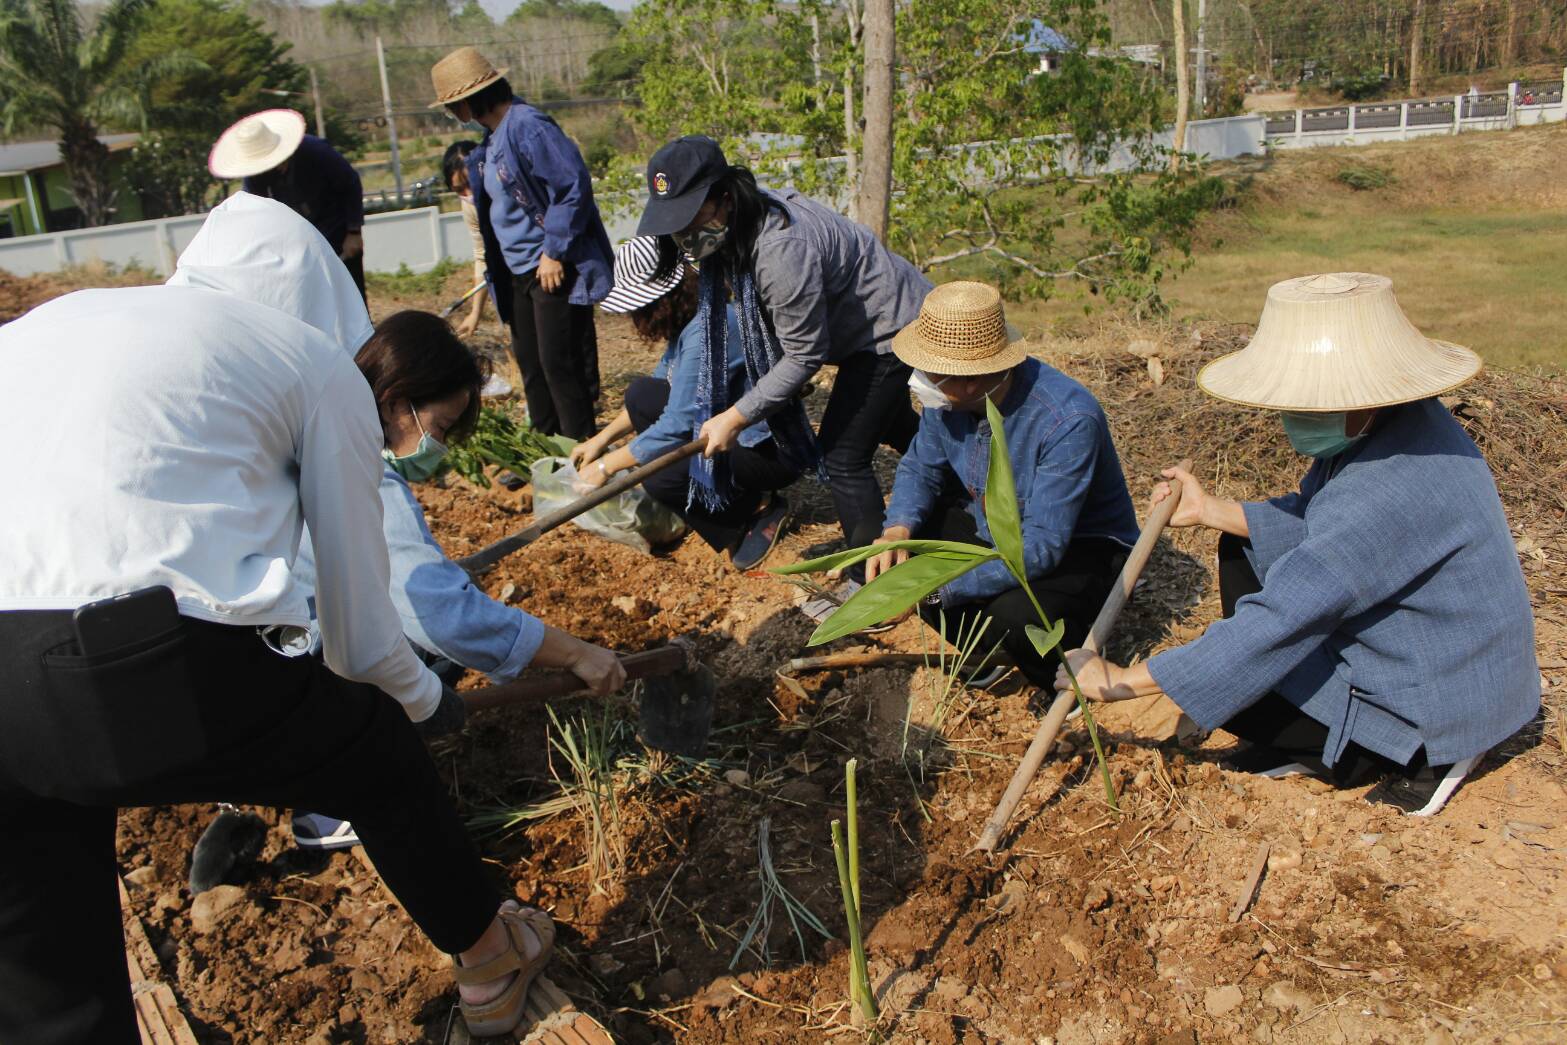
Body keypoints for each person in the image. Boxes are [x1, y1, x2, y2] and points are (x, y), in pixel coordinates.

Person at [0, 193, 595, 1042]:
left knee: (48, 966)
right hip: (134, 664)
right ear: (320, 297)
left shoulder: (53, 323)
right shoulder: (307, 359)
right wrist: (425, 705)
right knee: (376, 749)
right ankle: (492, 960)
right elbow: (362, 637)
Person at [1053, 273, 1540, 816]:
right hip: (1418, 634)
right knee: (1244, 552)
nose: (1297, 417)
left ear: (1368, 394)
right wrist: (1210, 510)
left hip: (1443, 689)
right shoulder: (1399, 423)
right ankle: (1309, 744)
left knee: (1239, 688)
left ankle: (1424, 755)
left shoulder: (1385, 490)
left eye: (1314, 405)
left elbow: (1281, 618)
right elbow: (1318, 521)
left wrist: (1122, 681)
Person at [273, 310, 628, 852]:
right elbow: (442, 615)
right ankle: (337, 796)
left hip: (250, 646)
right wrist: (577, 653)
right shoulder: (362, 472)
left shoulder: (312, 431)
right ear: (396, 402)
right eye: (438, 427)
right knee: (431, 647)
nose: (437, 446)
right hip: (288, 669)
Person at [634, 135, 932, 565]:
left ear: (725, 197)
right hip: (865, 326)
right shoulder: (742, 225)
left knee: (843, 457)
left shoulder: (778, 250)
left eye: (692, 216)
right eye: (674, 222)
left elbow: (805, 354)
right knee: (890, 423)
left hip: (890, 328)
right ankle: (963, 484)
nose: (684, 233)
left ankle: (873, 578)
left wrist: (735, 417)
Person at [865, 281, 1140, 687]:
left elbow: (1042, 547)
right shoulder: (946, 400)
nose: (918, 380)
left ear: (970, 381)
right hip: (991, 526)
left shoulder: (1066, 420)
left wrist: (930, 591)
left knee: (1018, 618)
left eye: (929, 372)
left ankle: (1059, 678)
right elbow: (921, 468)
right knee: (889, 557)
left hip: (1078, 548)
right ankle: (987, 652)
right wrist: (897, 531)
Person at [569, 236, 798, 570]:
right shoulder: (689, 323)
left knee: (660, 478)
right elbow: (662, 388)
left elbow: (676, 424)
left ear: (662, 299)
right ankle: (711, 494)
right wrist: (600, 440)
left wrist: (606, 467)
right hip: (727, 432)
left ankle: (753, 509)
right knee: (640, 394)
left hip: (767, 450)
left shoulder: (711, 329)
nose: (635, 318)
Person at [430, 47, 611, 439]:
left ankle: (579, 449)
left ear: (468, 101)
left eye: (452, 106)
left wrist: (554, 252)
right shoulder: (492, 139)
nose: (452, 113)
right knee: (532, 365)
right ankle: (547, 447)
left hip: (547, 268)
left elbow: (571, 187)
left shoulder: (528, 126)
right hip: (516, 273)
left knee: (559, 365)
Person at [210, 109, 367, 301]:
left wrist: (353, 232)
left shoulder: (316, 151)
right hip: (298, 241)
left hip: (336, 231)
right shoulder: (255, 174)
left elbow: (350, 183)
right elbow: (257, 211)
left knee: (350, 296)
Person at [442, 140, 490, 339]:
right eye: (459, 189)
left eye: (470, 184)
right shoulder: (469, 207)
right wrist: (475, 313)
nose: (468, 194)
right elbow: (482, 256)